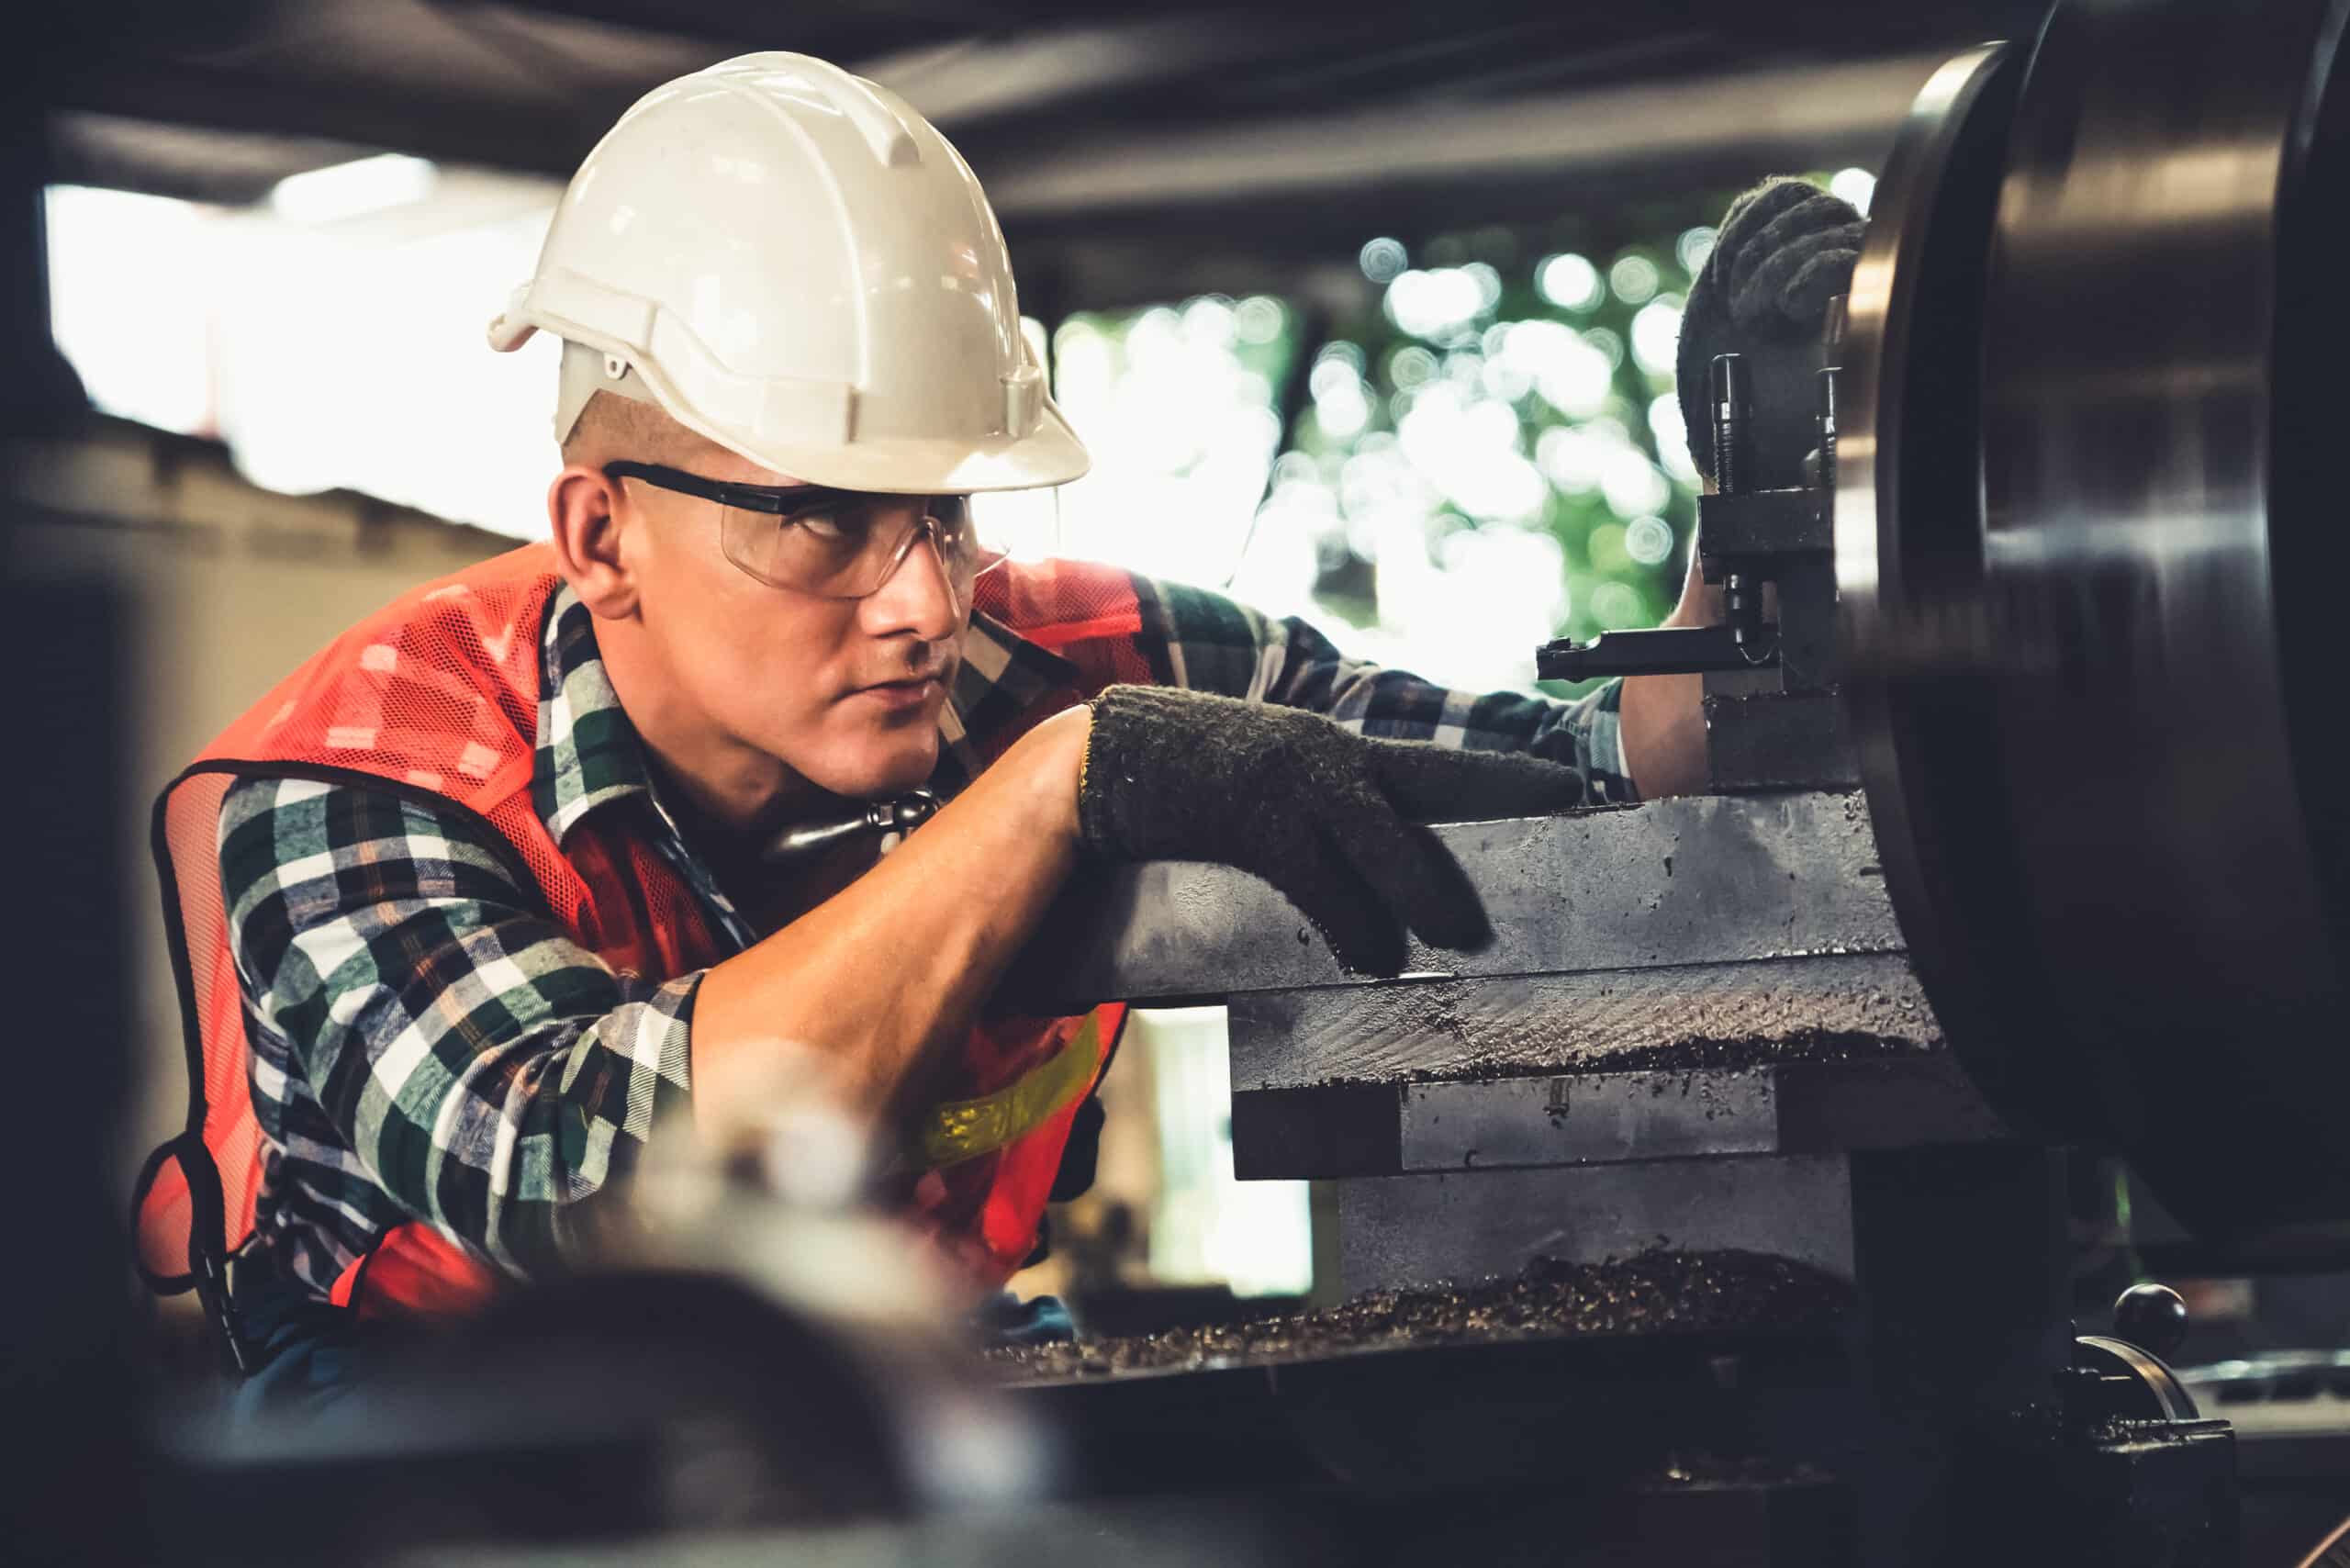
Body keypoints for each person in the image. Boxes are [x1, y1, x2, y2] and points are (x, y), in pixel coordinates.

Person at [129, 51, 1859, 1397]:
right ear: (602, 533)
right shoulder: (358, 783)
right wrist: (1052, 794)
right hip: (451, 1403)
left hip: (911, 1340)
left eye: (946, 511)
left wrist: (1755, 538)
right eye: (819, 513)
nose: (919, 600)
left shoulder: (1075, 650)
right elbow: (598, 1185)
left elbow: (1590, 788)